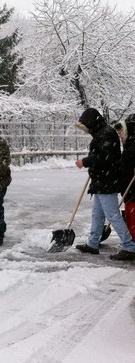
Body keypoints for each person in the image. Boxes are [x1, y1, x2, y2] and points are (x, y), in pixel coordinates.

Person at [74, 108, 135, 261]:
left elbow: (104, 157)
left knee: (113, 215)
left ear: (92, 123)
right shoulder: (101, 134)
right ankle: (93, 243)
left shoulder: (106, 134)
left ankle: (129, 246)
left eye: (86, 126)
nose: (86, 130)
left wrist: (85, 161)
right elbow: (100, 155)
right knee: (97, 214)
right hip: (101, 181)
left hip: (106, 182)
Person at [113, 115, 135, 240]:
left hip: (132, 188)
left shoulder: (132, 145)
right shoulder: (128, 144)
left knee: (132, 216)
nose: (120, 135)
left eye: (121, 132)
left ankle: (132, 246)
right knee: (129, 215)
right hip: (128, 187)